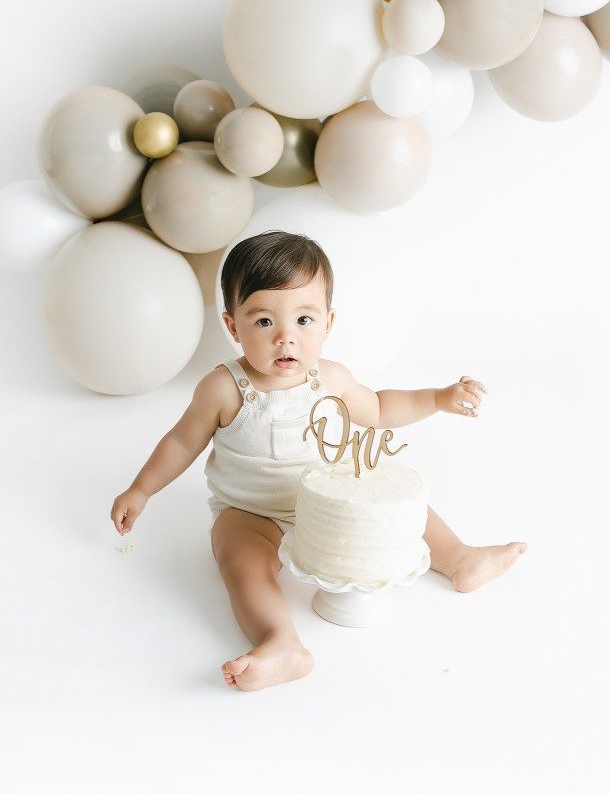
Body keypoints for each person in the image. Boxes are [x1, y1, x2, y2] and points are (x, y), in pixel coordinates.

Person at [110, 230, 528, 692]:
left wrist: (438, 397)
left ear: (328, 322)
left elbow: (381, 409)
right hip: (251, 512)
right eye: (264, 322)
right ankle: (281, 642)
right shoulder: (224, 388)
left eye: (304, 319)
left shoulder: (331, 378)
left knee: (398, 509)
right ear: (233, 327)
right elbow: (181, 442)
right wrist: (141, 488)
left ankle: (459, 559)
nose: (286, 337)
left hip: (328, 497)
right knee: (240, 561)